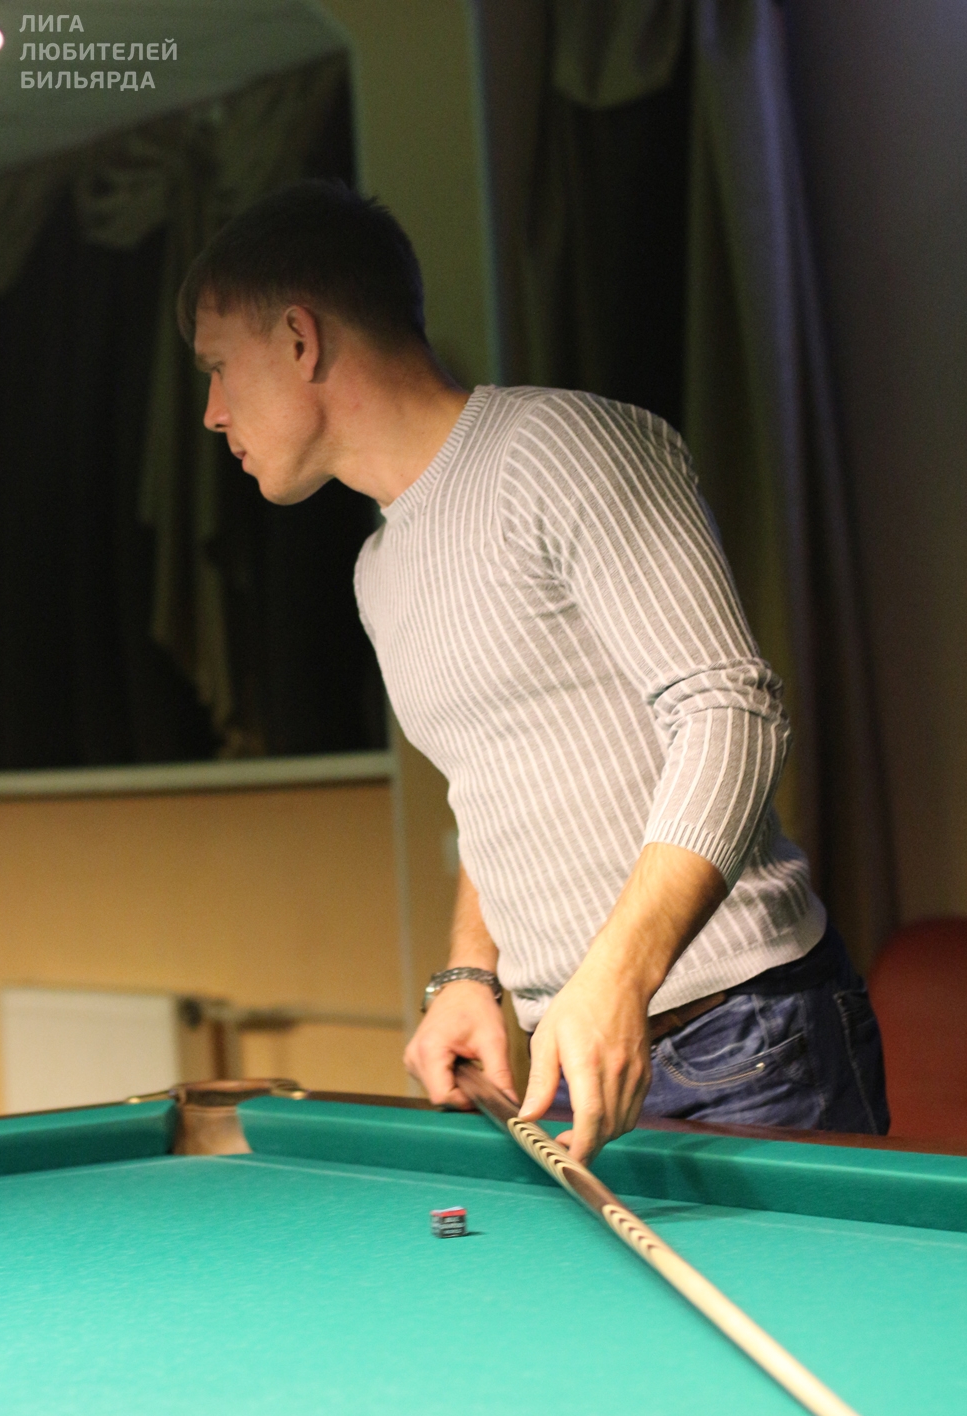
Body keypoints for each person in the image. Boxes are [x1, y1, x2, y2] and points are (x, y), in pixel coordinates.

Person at [176, 179, 888, 1162]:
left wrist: (617, 978)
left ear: (300, 339)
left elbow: (731, 709)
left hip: (743, 1036)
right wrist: (470, 975)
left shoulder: (561, 448)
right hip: (573, 1051)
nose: (211, 413)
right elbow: (498, 781)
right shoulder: (378, 569)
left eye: (218, 367)